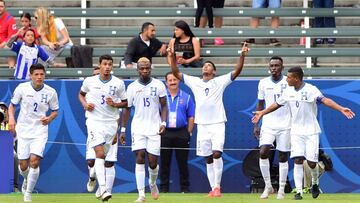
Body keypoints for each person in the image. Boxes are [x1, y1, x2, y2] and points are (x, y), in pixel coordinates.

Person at [252, 66, 355, 200]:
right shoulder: (288, 91)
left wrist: (341, 109)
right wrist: (262, 113)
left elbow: (325, 100)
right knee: (297, 160)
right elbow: (276, 104)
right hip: (295, 131)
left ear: (296, 78)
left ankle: (315, 183)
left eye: (289, 77)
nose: (286, 79)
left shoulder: (311, 89)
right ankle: (299, 192)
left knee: (312, 163)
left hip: (311, 131)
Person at [167, 42, 249, 197]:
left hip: (217, 123)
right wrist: (171, 57)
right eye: (204, 65)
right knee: (208, 157)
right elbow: (176, 72)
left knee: (217, 153)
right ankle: (213, 188)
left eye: (209, 65)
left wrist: (242, 55)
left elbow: (237, 71)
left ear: (214, 71)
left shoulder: (220, 81)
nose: (206, 67)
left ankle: (217, 186)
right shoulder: (194, 81)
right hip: (202, 124)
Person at [78, 55, 127, 201]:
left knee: (104, 157)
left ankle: (93, 175)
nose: (107, 67)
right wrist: (85, 105)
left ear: (112, 67)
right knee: (99, 154)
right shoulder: (89, 81)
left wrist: (115, 104)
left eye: (110, 64)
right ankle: (104, 189)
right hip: (94, 121)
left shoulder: (118, 83)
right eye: (104, 64)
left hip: (111, 123)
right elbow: (81, 95)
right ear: (99, 65)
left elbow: (125, 103)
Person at [8, 63, 59, 202]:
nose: (39, 77)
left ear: (45, 75)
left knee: (34, 161)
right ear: (30, 75)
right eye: (36, 74)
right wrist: (11, 118)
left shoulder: (51, 92)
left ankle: (28, 193)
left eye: (42, 74)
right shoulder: (22, 88)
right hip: (23, 130)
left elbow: (55, 111)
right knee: (23, 165)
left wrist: (49, 118)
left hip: (40, 131)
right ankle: (26, 179)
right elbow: (12, 105)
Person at [120, 57, 167, 202]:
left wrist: (163, 122)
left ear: (151, 68)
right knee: (140, 156)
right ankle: (141, 194)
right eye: (142, 68)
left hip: (154, 127)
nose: (145, 70)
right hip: (138, 127)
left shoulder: (159, 85)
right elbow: (127, 109)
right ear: (138, 69)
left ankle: (152, 183)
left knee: (153, 162)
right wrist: (123, 129)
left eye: (147, 68)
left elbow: (164, 105)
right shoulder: (132, 87)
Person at [253, 56, 290, 199]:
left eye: (277, 65)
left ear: (282, 67)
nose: (274, 68)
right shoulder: (262, 83)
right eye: (272, 65)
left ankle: (281, 189)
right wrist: (257, 123)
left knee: (282, 156)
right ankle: (268, 186)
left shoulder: (288, 82)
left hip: (286, 123)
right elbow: (260, 104)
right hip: (268, 123)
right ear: (269, 67)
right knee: (263, 152)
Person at [159, 72, 195, 193]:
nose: (173, 82)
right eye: (170, 80)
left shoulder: (187, 97)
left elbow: (191, 116)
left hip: (181, 132)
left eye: (175, 79)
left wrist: (188, 132)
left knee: (183, 163)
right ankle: (163, 189)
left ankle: (185, 189)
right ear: (166, 83)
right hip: (165, 132)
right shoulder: (162, 97)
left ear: (178, 80)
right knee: (164, 162)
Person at [0, 0, 17, 68]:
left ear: (5, 7)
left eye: (1, 6)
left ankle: (11, 69)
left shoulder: (10, 19)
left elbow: (11, 36)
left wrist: (1, 45)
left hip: (5, 43)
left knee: (10, 46)